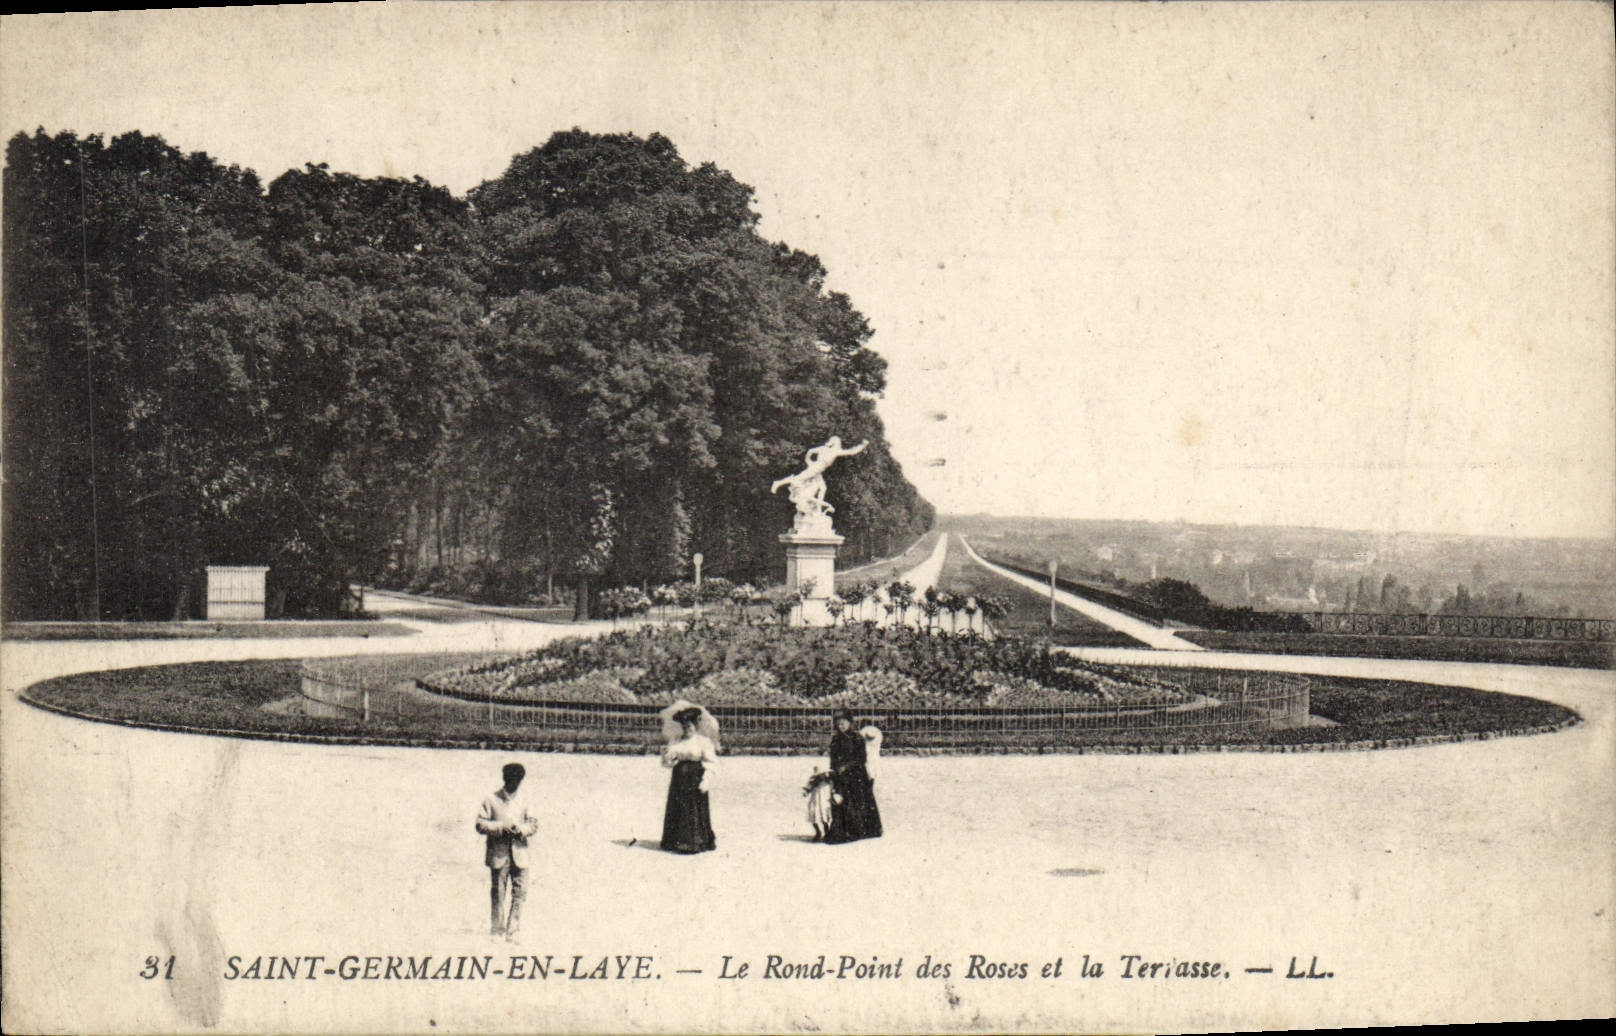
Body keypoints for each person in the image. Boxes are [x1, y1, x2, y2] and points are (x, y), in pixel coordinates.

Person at [475, 762, 539, 940]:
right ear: (505, 778)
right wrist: (501, 827)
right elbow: (480, 824)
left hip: (520, 853)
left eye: (518, 780)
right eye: (511, 779)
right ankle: (497, 929)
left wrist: (521, 830)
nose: (514, 783)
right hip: (499, 853)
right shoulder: (491, 799)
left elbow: (533, 824)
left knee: (520, 892)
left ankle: (513, 929)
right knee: (498, 893)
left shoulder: (526, 800)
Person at [660, 705, 718, 854]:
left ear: (696, 726)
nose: (687, 728)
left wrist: (706, 780)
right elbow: (667, 763)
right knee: (678, 808)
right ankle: (674, 841)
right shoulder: (676, 741)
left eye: (690, 725)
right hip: (679, 778)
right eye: (684, 726)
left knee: (693, 810)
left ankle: (695, 842)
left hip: (695, 778)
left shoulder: (703, 742)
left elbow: (711, 762)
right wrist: (667, 758)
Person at [824, 710, 882, 844]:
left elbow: (861, 758)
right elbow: (833, 758)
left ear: (850, 723)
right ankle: (841, 831)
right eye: (838, 724)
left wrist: (847, 766)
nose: (841, 726)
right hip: (840, 774)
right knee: (839, 800)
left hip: (856, 775)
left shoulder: (857, 738)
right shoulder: (836, 739)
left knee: (856, 802)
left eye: (843, 723)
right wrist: (834, 771)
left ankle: (858, 831)